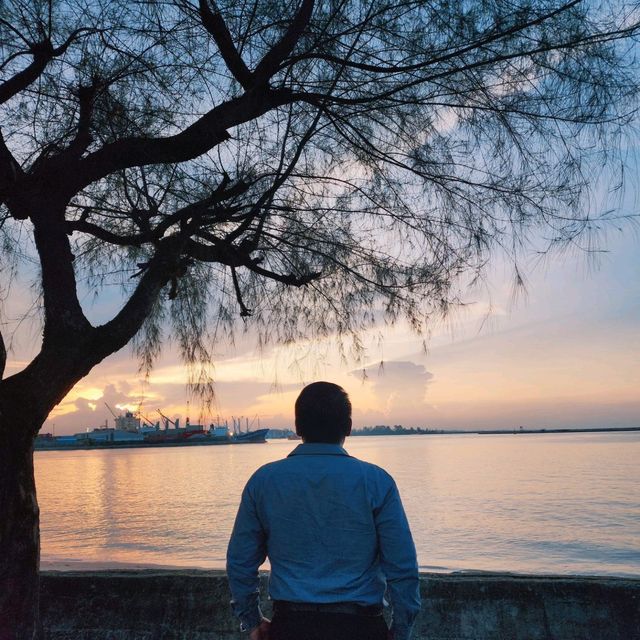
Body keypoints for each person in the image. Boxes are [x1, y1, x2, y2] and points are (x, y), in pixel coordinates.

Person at [226, 381, 421, 640]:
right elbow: (402, 567)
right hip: (360, 627)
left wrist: (251, 620)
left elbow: (240, 562)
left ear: (297, 427)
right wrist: (400, 630)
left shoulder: (263, 481)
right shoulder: (377, 482)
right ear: (349, 427)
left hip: (291, 626)